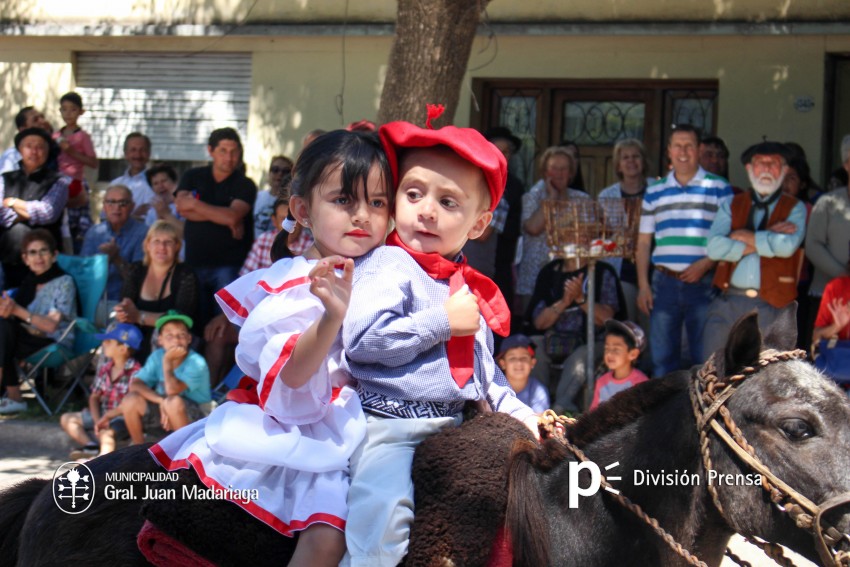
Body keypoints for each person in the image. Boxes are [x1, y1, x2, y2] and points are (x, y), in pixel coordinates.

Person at [149, 130, 392, 566]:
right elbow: (292, 377)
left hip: (359, 420)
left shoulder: (380, 271)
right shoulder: (300, 283)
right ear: (301, 210)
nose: (362, 215)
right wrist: (331, 317)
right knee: (327, 537)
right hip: (305, 429)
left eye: (377, 202)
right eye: (343, 200)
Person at [341, 115, 538, 567]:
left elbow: (485, 376)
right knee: (383, 522)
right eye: (414, 194)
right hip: (388, 427)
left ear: (479, 223)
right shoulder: (390, 264)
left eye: (448, 201)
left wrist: (526, 417)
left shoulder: (464, 286)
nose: (426, 209)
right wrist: (442, 321)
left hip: (454, 428)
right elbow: (364, 341)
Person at [636, 124, 733, 377]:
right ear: (669, 150)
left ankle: (702, 414)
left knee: (705, 359)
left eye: (689, 145)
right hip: (663, 283)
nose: (683, 151)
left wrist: (706, 263)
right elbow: (644, 242)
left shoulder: (719, 188)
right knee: (662, 360)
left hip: (703, 283)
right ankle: (665, 415)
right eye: (677, 145)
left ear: (699, 149)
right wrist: (644, 285)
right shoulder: (655, 191)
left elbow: (730, 236)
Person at [704, 141, 806, 356]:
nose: (767, 169)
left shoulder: (795, 207)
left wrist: (744, 236)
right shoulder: (731, 203)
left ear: (784, 170)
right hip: (728, 300)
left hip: (772, 304)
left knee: (769, 374)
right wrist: (770, 237)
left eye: (773, 163)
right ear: (749, 169)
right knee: (713, 369)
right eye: (761, 163)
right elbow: (713, 248)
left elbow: (787, 247)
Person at [175, 127, 257, 328]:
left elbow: (232, 215)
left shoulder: (244, 184)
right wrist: (222, 216)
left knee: (226, 323)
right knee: (194, 320)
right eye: (223, 151)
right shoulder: (193, 176)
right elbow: (180, 207)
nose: (229, 157)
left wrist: (194, 205)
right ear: (210, 150)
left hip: (229, 265)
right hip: (194, 261)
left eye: (234, 151)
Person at [528, 257, 624, 413]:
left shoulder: (602, 271)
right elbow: (539, 323)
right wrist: (564, 302)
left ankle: (560, 409)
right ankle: (538, 408)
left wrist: (580, 299)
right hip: (555, 340)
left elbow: (607, 319)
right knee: (533, 345)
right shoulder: (549, 271)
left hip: (592, 340)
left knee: (581, 356)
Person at [0, 230, 76, 414]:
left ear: (54, 255)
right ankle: (14, 396)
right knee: (3, 327)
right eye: (32, 253)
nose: (38, 257)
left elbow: (51, 325)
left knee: (3, 330)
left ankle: (14, 396)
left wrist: (16, 310)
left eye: (44, 251)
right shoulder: (28, 283)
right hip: (24, 338)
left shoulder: (64, 282)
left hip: (54, 341)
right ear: (25, 259)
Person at [119, 311, 211, 444]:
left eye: (181, 335)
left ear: (189, 339)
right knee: (130, 399)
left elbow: (172, 391)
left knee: (173, 402)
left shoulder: (196, 362)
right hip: (165, 408)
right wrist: (160, 401)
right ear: (160, 340)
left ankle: (185, 451)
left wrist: (167, 361)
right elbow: (135, 384)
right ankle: (137, 450)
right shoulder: (157, 356)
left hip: (197, 416)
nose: (176, 340)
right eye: (169, 336)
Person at [114, 221, 199, 361]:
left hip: (172, 338)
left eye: (168, 242)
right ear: (147, 245)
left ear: (177, 246)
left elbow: (181, 318)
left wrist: (139, 316)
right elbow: (126, 305)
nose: (162, 247)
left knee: (166, 333)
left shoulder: (185, 274)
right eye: (156, 241)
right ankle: (109, 381)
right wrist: (123, 312)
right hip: (136, 334)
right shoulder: (136, 270)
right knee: (114, 329)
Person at [517, 146, 590, 309]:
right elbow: (533, 228)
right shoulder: (532, 197)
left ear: (571, 173)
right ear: (545, 172)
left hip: (571, 278)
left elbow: (586, 234)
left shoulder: (582, 200)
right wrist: (552, 198)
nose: (559, 173)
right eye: (554, 168)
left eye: (564, 169)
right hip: (534, 277)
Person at [59, 323, 143, 459]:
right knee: (67, 419)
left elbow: (131, 403)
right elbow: (94, 397)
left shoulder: (136, 371)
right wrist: (98, 420)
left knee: (106, 433)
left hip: (121, 417)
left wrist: (106, 420)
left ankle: (101, 461)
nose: (104, 343)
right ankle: (91, 445)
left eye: (109, 341)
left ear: (123, 349)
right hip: (103, 414)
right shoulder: (106, 368)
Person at [0, 127, 70, 288]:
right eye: (29, 146)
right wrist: (30, 213)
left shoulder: (59, 181)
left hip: (43, 263)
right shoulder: (4, 179)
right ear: (20, 150)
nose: (34, 151)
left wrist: (12, 203)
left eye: (40, 147)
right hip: (7, 258)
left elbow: (48, 212)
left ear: (47, 151)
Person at [598, 138, 653, 323]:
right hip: (622, 271)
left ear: (644, 161)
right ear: (618, 165)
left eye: (636, 156)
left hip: (655, 271)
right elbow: (602, 236)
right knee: (626, 325)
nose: (631, 161)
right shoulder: (606, 196)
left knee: (652, 329)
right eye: (625, 158)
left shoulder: (658, 189)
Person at [805, 133, 850, 354]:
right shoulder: (828, 203)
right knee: (824, 367)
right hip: (826, 296)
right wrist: (845, 276)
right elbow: (813, 246)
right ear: (847, 164)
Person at [483, 127, 525, 331]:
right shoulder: (476, 180)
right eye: (495, 149)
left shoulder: (515, 185)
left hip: (502, 261)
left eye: (506, 151)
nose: (500, 155)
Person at [81, 185, 148, 304]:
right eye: (111, 202)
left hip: (128, 302)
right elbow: (84, 275)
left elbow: (140, 281)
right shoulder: (94, 232)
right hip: (95, 300)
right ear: (104, 207)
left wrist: (116, 258)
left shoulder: (143, 233)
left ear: (132, 207)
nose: (116, 208)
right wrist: (102, 262)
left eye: (123, 203)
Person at [53, 92, 97, 252]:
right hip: (57, 183)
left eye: (73, 109)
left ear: (81, 112)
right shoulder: (56, 135)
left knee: (76, 227)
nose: (68, 113)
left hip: (75, 182)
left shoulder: (83, 137)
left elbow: (93, 162)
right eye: (64, 109)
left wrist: (71, 152)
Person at [589, 319, 648, 411]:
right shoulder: (601, 382)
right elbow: (593, 413)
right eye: (607, 348)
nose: (609, 354)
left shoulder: (641, 383)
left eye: (616, 350)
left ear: (633, 354)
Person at [496, 333, 549, 413]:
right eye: (512, 359)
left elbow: (539, 421)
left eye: (524, 358)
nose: (519, 363)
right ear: (503, 364)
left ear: (532, 363)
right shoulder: (495, 388)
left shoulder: (538, 391)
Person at [240, 196, 289, 276]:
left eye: (292, 219)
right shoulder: (263, 240)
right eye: (283, 219)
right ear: (274, 220)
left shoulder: (311, 245)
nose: (288, 223)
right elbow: (246, 276)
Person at [110, 132, 155, 219]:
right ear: (126, 154)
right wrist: (135, 215)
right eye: (133, 150)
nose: (138, 155)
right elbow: (105, 217)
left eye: (142, 150)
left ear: (149, 154)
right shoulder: (115, 184)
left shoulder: (156, 185)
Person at [0, 106, 54, 174]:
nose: (43, 121)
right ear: (23, 129)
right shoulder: (12, 157)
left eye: (42, 117)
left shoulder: (59, 147)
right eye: (35, 120)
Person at [253, 155, 293, 237]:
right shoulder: (257, 196)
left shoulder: (292, 202)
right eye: (275, 170)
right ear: (269, 172)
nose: (280, 174)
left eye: (285, 171)